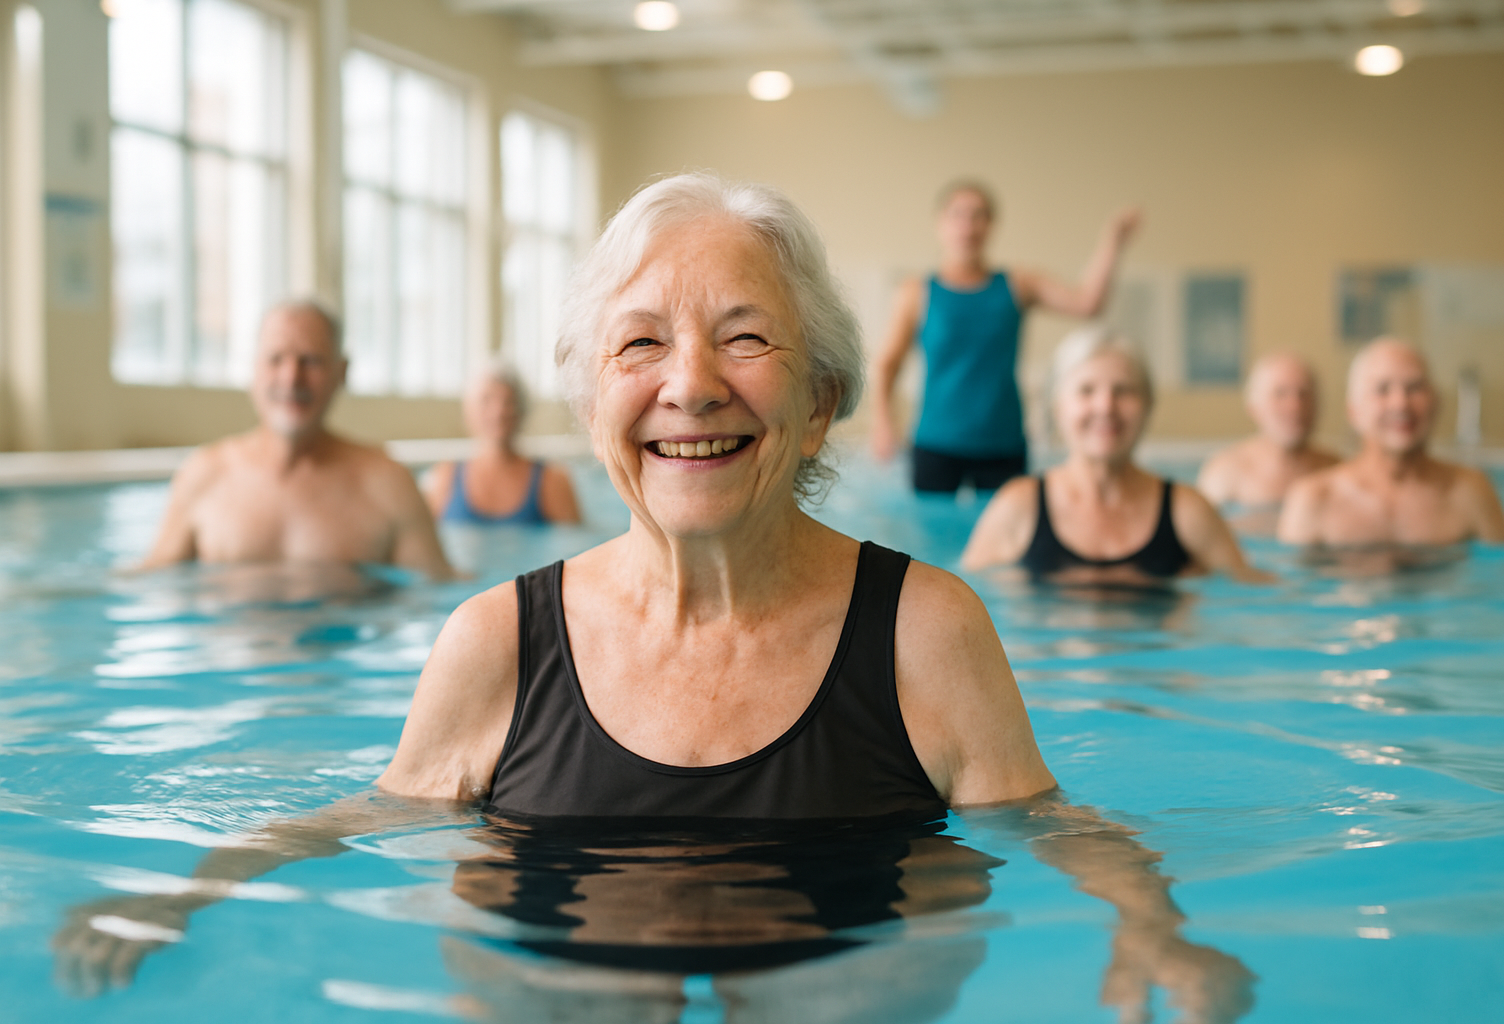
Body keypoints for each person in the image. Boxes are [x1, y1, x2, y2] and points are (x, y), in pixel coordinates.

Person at [55, 175, 1252, 1020]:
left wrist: (1155, 926)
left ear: (824, 396)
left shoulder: (927, 633)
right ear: (589, 406)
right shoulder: (497, 644)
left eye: (744, 339)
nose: (691, 386)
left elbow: (1050, 825)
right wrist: (184, 892)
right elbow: (361, 816)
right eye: (640, 346)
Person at [138, 301, 458, 581]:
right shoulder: (204, 475)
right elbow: (150, 580)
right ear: (253, 369)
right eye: (276, 359)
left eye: (310, 360)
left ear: (341, 372)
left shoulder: (387, 484)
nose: (291, 377)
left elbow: (439, 593)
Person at [869, 179, 1139, 493]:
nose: (968, 226)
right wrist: (883, 423)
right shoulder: (916, 293)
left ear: (991, 225)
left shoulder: (1018, 284)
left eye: (978, 215)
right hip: (935, 445)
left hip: (1003, 445)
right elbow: (887, 364)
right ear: (940, 223)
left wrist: (1113, 241)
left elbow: (1087, 304)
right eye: (958, 215)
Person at [962, 326, 1265, 584]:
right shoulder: (1018, 507)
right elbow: (963, 605)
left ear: (1147, 406)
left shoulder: (1189, 512)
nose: (1106, 406)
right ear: (1058, 407)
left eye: (1123, 391)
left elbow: (1251, 597)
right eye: (1086, 390)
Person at [1277, 337, 1504, 549]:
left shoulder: (1469, 492)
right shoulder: (1314, 500)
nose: (1400, 404)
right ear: (1354, 411)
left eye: (1415, 388)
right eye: (1382, 389)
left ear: (1436, 402)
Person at [424, 363, 582, 526]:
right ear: (468, 410)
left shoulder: (552, 480)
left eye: (508, 401)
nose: (498, 411)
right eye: (487, 400)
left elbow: (578, 546)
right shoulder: (443, 480)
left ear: (522, 410)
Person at [1197, 352, 1339, 527]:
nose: (1295, 406)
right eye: (1280, 394)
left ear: (1318, 405)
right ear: (1253, 407)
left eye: (1304, 394)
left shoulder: (1336, 471)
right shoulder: (1226, 474)